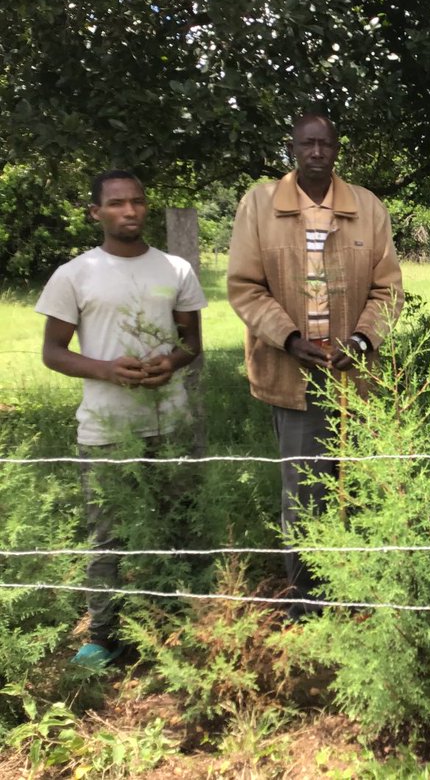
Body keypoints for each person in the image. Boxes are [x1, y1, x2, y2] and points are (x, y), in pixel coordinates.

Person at [227, 114, 403, 618]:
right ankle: (308, 602)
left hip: (354, 375)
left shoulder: (366, 206)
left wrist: (366, 339)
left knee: (363, 485)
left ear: (337, 150)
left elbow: (389, 288)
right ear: (293, 148)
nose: (317, 151)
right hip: (293, 373)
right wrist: (288, 337)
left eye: (326, 143)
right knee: (304, 491)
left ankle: (363, 593)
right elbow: (244, 286)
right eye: (308, 142)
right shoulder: (259, 204)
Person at [37, 169, 206, 666]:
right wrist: (108, 370)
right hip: (106, 428)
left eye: (136, 201)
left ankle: (171, 622)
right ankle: (102, 635)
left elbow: (191, 344)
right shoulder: (75, 274)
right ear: (96, 213)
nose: (128, 211)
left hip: (169, 421)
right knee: (107, 535)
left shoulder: (175, 270)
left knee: (176, 525)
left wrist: (169, 363)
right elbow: (53, 352)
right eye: (115, 204)